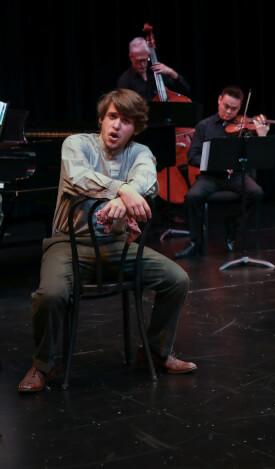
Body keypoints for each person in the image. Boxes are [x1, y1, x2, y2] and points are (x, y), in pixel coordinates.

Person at [18, 89, 196, 393]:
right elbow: (77, 177)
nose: (116, 126)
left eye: (126, 121)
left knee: (177, 279)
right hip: (68, 244)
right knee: (50, 296)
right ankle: (43, 365)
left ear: (136, 129)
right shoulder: (77, 144)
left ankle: (154, 351)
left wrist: (127, 196)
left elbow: (147, 180)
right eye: (112, 117)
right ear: (101, 120)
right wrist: (123, 191)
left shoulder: (140, 152)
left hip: (116, 246)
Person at [174, 86, 269, 258]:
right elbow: (192, 156)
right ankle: (196, 242)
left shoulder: (245, 127)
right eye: (226, 106)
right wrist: (215, 164)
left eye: (234, 108)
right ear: (219, 100)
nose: (228, 111)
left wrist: (261, 136)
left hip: (236, 176)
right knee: (192, 197)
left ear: (240, 107)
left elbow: (257, 156)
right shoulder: (204, 126)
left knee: (257, 193)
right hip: (210, 177)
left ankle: (234, 222)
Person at [117, 37, 191, 100]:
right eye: (138, 61)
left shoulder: (156, 72)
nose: (142, 64)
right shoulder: (125, 80)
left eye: (145, 60)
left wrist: (171, 72)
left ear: (148, 56)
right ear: (131, 57)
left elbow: (185, 90)